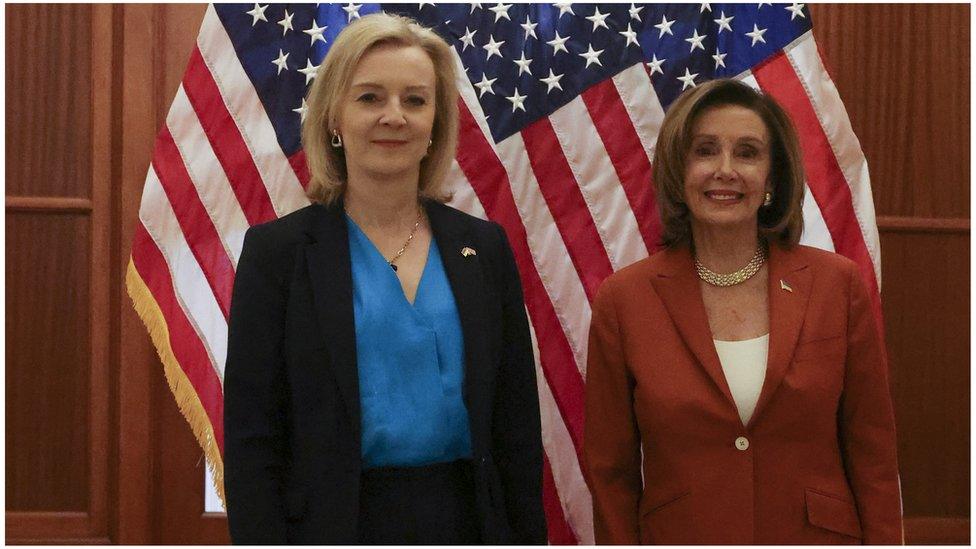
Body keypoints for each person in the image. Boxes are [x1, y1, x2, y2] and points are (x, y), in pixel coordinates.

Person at [223, 13, 546, 545]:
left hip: (469, 523)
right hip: (335, 524)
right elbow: (254, 441)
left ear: (436, 123)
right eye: (370, 97)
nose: (394, 116)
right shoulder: (278, 255)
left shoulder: (483, 249)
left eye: (415, 100)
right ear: (334, 119)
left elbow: (516, 431)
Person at [584, 79, 902, 544]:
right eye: (705, 151)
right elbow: (610, 474)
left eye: (748, 153)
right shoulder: (624, 300)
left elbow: (873, 455)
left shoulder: (838, 285)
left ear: (773, 178)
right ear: (680, 169)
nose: (725, 170)